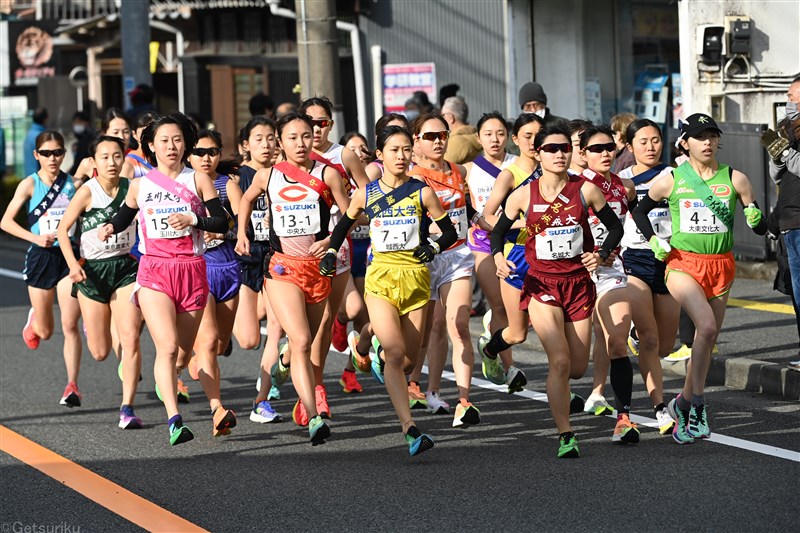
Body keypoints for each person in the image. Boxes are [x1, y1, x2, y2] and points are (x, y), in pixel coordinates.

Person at [320, 125, 459, 455]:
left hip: (416, 278)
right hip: (381, 277)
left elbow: (450, 231)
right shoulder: (365, 194)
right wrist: (329, 251)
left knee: (409, 361)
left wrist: (435, 247)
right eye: (394, 150)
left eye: (406, 149)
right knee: (395, 353)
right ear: (380, 155)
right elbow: (343, 225)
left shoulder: (422, 192)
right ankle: (410, 428)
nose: (401, 155)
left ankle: (365, 337)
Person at [633, 113, 767, 444]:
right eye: (699, 136)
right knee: (705, 328)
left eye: (712, 135)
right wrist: (654, 240)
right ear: (685, 143)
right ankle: (699, 403)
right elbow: (639, 211)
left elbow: (760, 226)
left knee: (707, 341)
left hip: (721, 266)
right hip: (682, 264)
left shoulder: (736, 179)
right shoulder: (672, 180)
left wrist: (755, 218)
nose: (707, 142)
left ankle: (685, 401)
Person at [491, 124, 624, 458]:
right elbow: (498, 231)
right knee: (560, 361)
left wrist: (601, 253)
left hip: (578, 284)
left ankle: (561, 398)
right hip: (541, 284)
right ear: (538, 153)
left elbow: (615, 226)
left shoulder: (586, 190)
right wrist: (497, 258)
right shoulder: (524, 194)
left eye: (565, 148)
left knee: (577, 368)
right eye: (551, 148)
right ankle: (566, 434)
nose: (560, 154)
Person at [98, 112, 231, 446]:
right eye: (164, 141)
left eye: (177, 140)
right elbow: (125, 214)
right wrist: (110, 227)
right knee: (167, 346)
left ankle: (172, 381)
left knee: (185, 352)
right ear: (151, 147)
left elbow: (221, 222)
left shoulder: (198, 179)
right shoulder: (140, 185)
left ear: (185, 143)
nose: (171, 146)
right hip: (155, 271)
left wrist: (193, 218)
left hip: (192, 269)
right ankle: (175, 419)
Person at [237, 111, 349, 445]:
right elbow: (245, 199)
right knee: (301, 340)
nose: (300, 143)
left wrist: (332, 240)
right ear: (280, 142)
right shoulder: (268, 175)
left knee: (308, 340)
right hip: (282, 268)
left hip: (317, 268)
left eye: (305, 136)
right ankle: (314, 416)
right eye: (292, 137)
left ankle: (285, 361)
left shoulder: (328, 175)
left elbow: (349, 213)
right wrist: (242, 234)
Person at [57, 135, 143, 428]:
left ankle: (127, 408)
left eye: (117, 156)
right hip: (91, 272)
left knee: (130, 338)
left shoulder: (132, 189)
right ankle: (98, 320)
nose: (112, 162)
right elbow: (62, 230)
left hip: (124, 268)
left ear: (124, 158)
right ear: (93, 162)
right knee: (100, 351)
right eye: (104, 157)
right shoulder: (87, 192)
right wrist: (72, 266)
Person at [407, 112, 488, 426]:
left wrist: (485, 221)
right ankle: (414, 384)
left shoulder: (458, 170)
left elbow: (466, 208)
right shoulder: (412, 178)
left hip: (456, 255)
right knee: (428, 330)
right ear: (417, 141)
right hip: (424, 258)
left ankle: (462, 401)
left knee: (459, 326)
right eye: (430, 136)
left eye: (442, 135)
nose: (438, 141)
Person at [294, 96, 368, 405]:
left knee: (334, 318)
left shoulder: (345, 156)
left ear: (331, 125)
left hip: (337, 245)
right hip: (297, 249)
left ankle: (316, 387)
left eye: (322, 124)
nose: (316, 130)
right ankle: (307, 382)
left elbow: (367, 196)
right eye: (310, 124)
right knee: (307, 329)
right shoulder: (292, 158)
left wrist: (356, 215)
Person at [1, 130, 83, 407]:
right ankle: (35, 319)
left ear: (64, 154)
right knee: (46, 332)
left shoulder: (71, 183)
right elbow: (6, 222)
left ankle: (72, 385)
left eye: (58, 152)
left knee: (70, 325)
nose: (52, 158)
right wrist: (35, 237)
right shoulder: (28, 184)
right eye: (46, 153)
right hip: (40, 256)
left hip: (67, 257)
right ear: (37, 155)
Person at [577, 124, 640, 444]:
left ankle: (624, 418)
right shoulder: (572, 187)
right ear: (583, 153)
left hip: (610, 270)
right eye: (596, 149)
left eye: (609, 148)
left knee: (616, 341)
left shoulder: (624, 186)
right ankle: (572, 402)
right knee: (573, 359)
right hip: (572, 276)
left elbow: (636, 224)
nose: (604, 153)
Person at [186, 129, 249, 434]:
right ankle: (217, 410)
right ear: (189, 155)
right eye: (199, 152)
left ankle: (190, 357)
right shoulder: (181, 186)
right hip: (197, 269)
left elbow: (242, 228)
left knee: (221, 344)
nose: (205, 158)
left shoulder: (228, 186)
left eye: (212, 152)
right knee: (209, 341)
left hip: (227, 267)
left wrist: (223, 232)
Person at [618, 119, 679, 434]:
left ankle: (638, 337)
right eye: (642, 141)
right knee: (652, 340)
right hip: (636, 259)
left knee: (666, 345)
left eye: (655, 140)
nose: (650, 147)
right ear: (629, 147)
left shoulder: (675, 177)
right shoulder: (622, 180)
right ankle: (659, 410)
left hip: (670, 262)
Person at [479, 113, 544, 393]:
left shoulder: (554, 169)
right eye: (527, 137)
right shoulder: (510, 175)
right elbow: (486, 217)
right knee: (517, 332)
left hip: (547, 256)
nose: (533, 142)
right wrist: (522, 222)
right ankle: (490, 349)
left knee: (552, 328)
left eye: (538, 136)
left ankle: (562, 388)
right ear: (515, 140)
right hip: (515, 254)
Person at [760, 75, 800, 371]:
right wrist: (777, 155)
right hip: (789, 223)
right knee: (797, 295)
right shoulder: (788, 129)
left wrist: (785, 152)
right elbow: (778, 176)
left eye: (793, 96)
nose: (789, 102)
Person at [73, 109, 133, 186]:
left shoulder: (137, 159)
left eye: (126, 132)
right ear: (104, 133)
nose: (121, 137)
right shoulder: (89, 163)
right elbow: (69, 193)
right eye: (115, 132)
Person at [442, 96, 482, 164]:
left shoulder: (456, 141)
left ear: (450, 117)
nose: (441, 119)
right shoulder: (476, 134)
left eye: (443, 115)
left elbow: (441, 167)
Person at [121, 111, 159, 179]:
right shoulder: (128, 163)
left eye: (152, 130)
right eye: (144, 131)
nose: (149, 135)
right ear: (134, 134)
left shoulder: (165, 159)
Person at [68, 111, 95, 177]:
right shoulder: (80, 140)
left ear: (87, 123)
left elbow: (78, 163)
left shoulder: (87, 140)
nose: (77, 124)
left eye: (79, 122)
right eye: (75, 122)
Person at [23, 107, 48, 178]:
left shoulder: (29, 134)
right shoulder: (43, 137)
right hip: (40, 178)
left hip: (29, 176)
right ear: (45, 119)